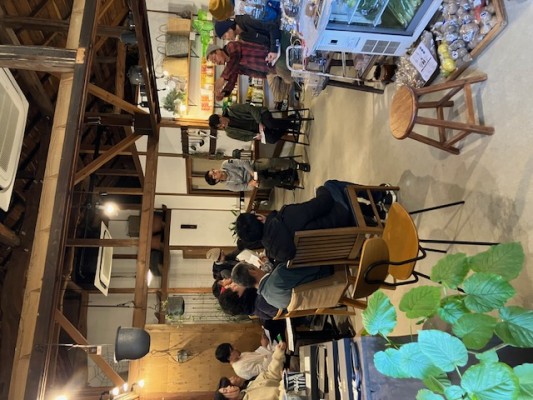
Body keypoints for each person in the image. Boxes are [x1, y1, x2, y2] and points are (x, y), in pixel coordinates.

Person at [235, 181, 396, 262]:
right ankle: (381, 196)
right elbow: (324, 203)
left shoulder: (277, 255)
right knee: (330, 186)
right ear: (259, 218)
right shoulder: (286, 217)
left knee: (335, 207)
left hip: (343, 245)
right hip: (343, 221)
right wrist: (320, 191)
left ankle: (375, 213)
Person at [206, 42, 293, 103]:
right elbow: (232, 80)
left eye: (214, 59)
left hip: (270, 60)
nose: (216, 62)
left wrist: (222, 78)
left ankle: (291, 76)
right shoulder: (231, 66)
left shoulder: (231, 46)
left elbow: (235, 58)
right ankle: (289, 78)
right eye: (214, 62)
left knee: (289, 77)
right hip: (267, 72)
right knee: (278, 97)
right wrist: (224, 93)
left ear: (218, 50)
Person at [231, 261, 333, 310]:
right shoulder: (279, 274)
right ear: (252, 271)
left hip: (323, 301)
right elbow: (313, 266)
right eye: (253, 265)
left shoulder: (269, 300)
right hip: (330, 278)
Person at [215, 342, 287, 400]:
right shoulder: (240, 368)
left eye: (227, 386)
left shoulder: (250, 386)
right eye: (226, 390)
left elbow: (270, 374)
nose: (229, 387)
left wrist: (278, 354)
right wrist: (284, 383)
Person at [208, 102, 299, 144]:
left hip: (260, 115)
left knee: (270, 124)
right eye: (220, 126)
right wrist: (255, 136)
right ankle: (289, 120)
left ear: (220, 116)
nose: (223, 125)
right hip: (257, 131)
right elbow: (244, 138)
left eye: (221, 122)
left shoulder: (232, 109)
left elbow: (250, 108)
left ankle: (292, 125)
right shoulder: (229, 133)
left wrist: (259, 122)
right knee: (272, 140)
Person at [204, 157, 310, 192]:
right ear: (216, 181)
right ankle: (285, 180)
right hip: (251, 180)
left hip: (252, 167)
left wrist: (252, 172)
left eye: (213, 171)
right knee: (262, 185)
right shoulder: (229, 186)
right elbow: (245, 187)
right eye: (214, 175)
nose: (215, 172)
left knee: (268, 162)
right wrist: (252, 183)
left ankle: (296, 165)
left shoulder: (225, 164)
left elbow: (243, 163)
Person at [214, 17, 281, 63]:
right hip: (278, 44)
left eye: (225, 36)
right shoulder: (243, 37)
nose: (227, 39)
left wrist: (273, 50)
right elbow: (265, 42)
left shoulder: (246, 20)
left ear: (228, 28)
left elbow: (273, 27)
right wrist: (269, 54)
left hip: (281, 29)